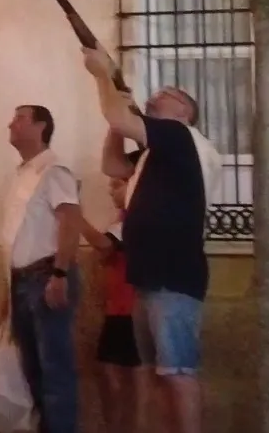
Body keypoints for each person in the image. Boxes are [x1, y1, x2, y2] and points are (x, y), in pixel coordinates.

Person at [83, 48, 207, 433]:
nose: (157, 94)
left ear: (184, 111)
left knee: (178, 372)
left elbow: (119, 117)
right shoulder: (159, 153)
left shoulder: (180, 136)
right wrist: (116, 122)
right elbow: (113, 166)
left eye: (169, 92)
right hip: (150, 275)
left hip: (171, 275)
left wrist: (103, 77)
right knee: (162, 375)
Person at [3, 103, 82, 433]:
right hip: (21, 281)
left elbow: (70, 219)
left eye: (20, 118)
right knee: (32, 371)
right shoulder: (23, 173)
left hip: (46, 276)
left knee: (54, 371)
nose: (11, 124)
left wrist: (60, 274)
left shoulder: (55, 169)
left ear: (40, 127)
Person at [78, 168, 145, 433]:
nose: (110, 190)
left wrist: (74, 215)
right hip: (118, 308)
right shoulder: (122, 219)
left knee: (137, 380)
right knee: (112, 373)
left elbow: (104, 245)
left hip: (131, 309)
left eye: (116, 185)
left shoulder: (133, 220)